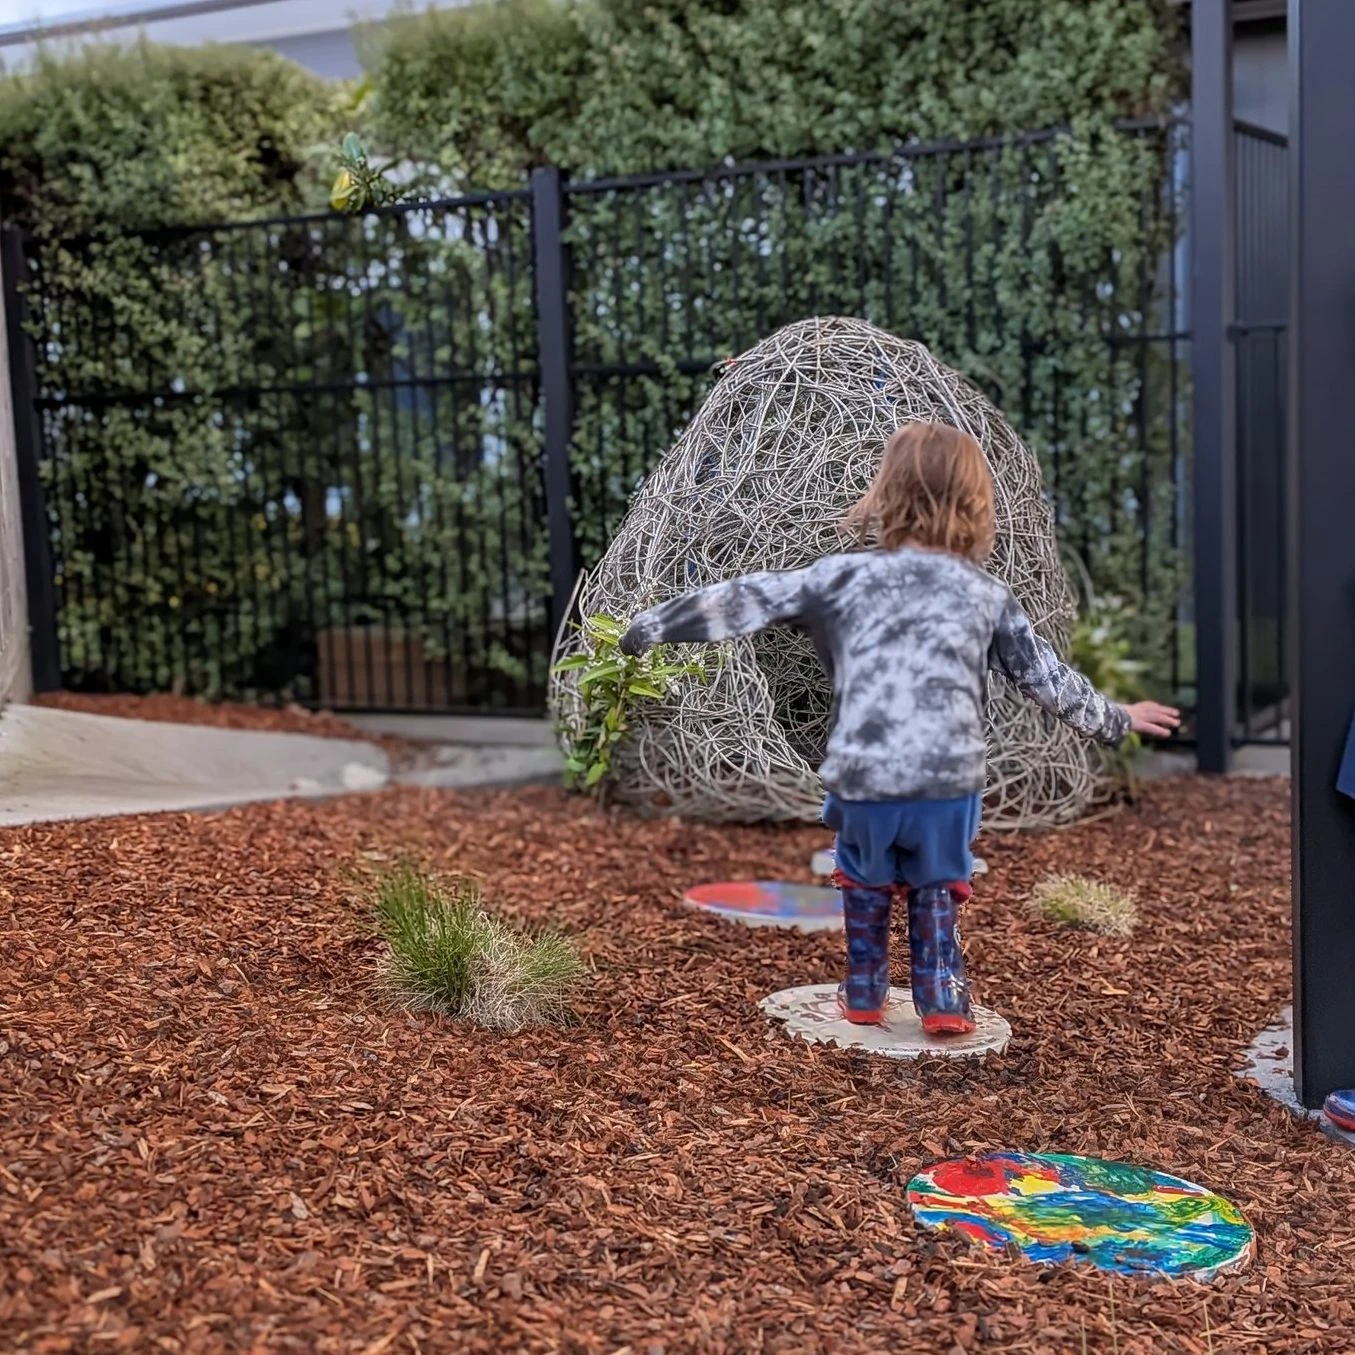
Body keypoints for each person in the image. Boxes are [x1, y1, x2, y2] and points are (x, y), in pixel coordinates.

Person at [619, 421, 1180, 1034]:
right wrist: (1118, 718)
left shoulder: (842, 579)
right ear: (975, 503)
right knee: (937, 880)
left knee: (863, 873)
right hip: (949, 779)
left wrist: (651, 625)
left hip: (867, 774)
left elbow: (746, 598)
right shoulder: (987, 594)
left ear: (884, 496)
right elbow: (1045, 678)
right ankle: (942, 992)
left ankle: (863, 986)